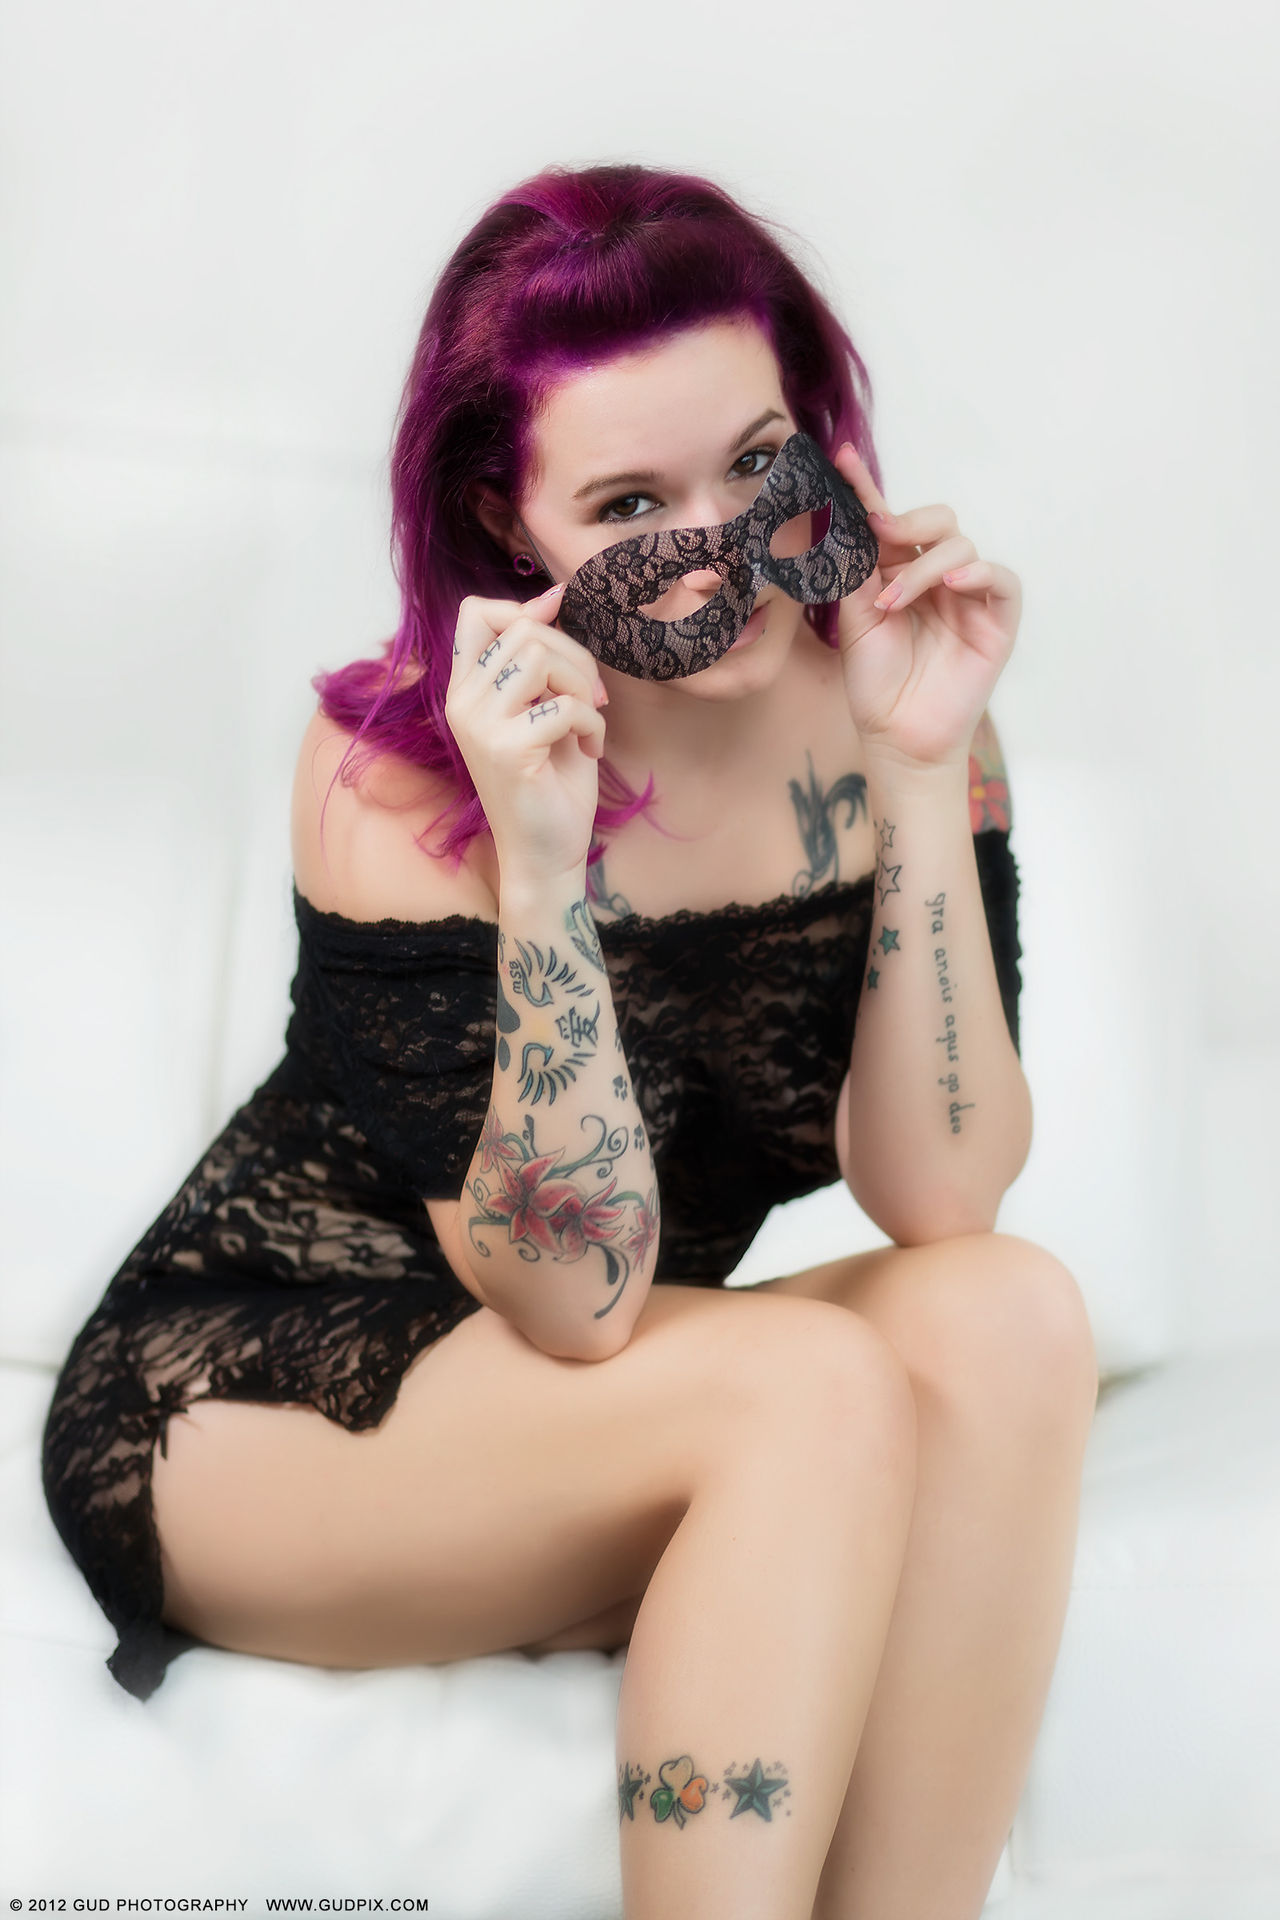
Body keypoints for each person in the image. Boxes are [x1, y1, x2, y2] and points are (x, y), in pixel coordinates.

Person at [41, 161, 1098, 1920]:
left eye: (758, 465)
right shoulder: (398, 771)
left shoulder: (899, 700)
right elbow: (582, 1303)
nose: (726, 549)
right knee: (806, 1383)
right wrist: (541, 876)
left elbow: (944, 1202)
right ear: (509, 521)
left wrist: (918, 768)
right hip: (263, 1391)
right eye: (630, 503)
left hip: (617, 1406)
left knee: (1013, 1315)